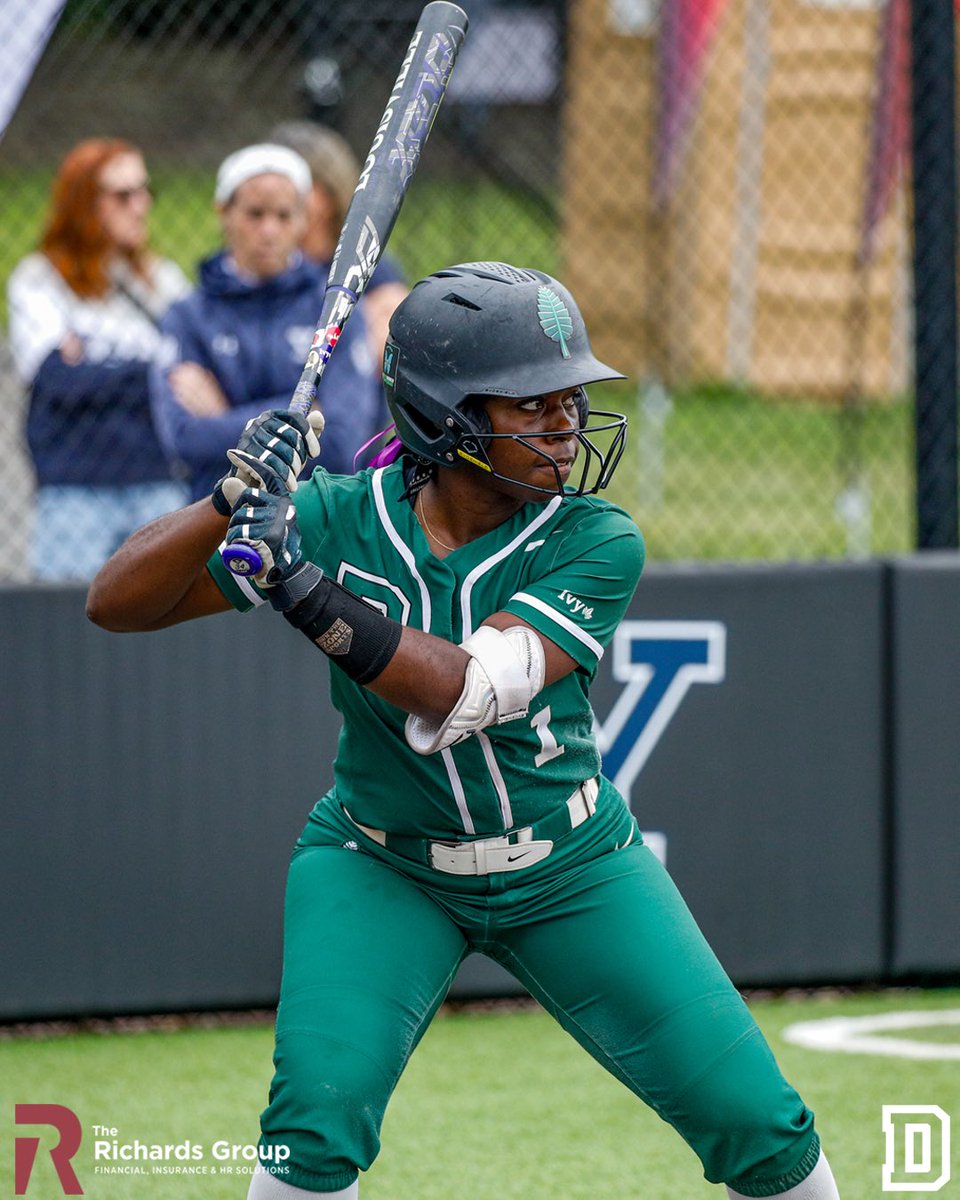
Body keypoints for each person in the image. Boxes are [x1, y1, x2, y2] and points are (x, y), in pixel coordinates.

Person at [87, 262, 841, 1200]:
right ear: (445, 415)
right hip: (382, 861)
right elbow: (117, 604)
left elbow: (468, 691)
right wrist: (225, 501)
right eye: (534, 403)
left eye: (571, 397)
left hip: (571, 862)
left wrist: (302, 590)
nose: (566, 424)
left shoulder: (594, 539)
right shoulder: (336, 520)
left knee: (759, 1126)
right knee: (311, 1131)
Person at [149, 143, 381, 503]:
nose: (269, 230)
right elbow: (184, 440)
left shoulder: (335, 309)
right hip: (219, 518)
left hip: (317, 514)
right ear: (223, 213)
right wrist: (306, 413)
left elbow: (343, 437)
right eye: (255, 214)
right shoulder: (188, 315)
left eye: (284, 216)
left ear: (304, 219)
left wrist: (225, 419)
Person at [7, 137, 190, 581]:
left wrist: (92, 365)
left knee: (167, 618)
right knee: (67, 630)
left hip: (157, 479)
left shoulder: (161, 281)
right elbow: (56, 380)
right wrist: (151, 371)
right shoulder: (40, 280)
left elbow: (191, 374)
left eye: (144, 191)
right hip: (75, 486)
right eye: (123, 195)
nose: (141, 205)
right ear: (83, 203)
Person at [269, 120, 408, 366]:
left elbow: (392, 349)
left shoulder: (369, 266)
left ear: (329, 194)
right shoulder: (258, 266)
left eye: (296, 185)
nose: (279, 198)